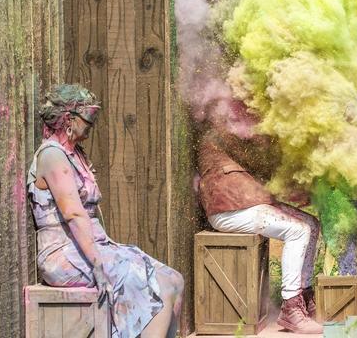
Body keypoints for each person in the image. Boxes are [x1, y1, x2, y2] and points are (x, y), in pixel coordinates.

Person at [28, 84, 183, 338]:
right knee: (157, 288)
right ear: (69, 119)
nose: (92, 124)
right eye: (88, 118)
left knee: (174, 279)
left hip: (90, 246)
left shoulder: (74, 153)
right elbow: (73, 215)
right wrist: (98, 265)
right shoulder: (52, 156)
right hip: (64, 254)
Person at [197, 128, 323, 334]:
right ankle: (291, 308)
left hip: (246, 203)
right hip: (228, 210)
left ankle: (304, 296)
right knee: (298, 230)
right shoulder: (226, 127)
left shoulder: (234, 125)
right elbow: (264, 157)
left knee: (310, 224)